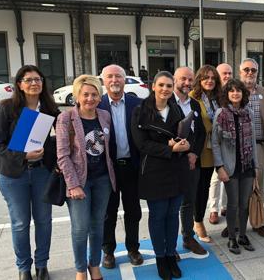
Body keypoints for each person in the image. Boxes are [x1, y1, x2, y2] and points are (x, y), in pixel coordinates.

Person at [0, 65, 59, 280]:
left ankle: (42, 265)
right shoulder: (6, 109)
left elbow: (62, 138)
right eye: (28, 79)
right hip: (14, 175)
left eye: (38, 79)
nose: (34, 83)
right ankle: (24, 268)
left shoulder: (51, 110)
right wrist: (23, 156)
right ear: (20, 85)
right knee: (21, 223)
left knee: (44, 221)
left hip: (42, 173)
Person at [131, 71, 190, 279]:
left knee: (173, 215)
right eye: (161, 85)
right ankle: (160, 258)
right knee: (158, 217)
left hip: (177, 170)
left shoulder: (175, 108)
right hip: (154, 172)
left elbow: (184, 131)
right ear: (153, 86)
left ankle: (170, 254)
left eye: (169, 85)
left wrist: (185, 144)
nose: (165, 89)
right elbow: (141, 144)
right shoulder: (141, 111)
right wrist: (169, 147)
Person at [56, 75, 116, 280]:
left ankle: (94, 264)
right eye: (86, 94)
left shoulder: (104, 115)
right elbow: (62, 155)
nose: (90, 98)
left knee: (98, 225)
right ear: (77, 96)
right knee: (80, 228)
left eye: (94, 94)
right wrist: (73, 185)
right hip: (79, 182)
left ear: (100, 96)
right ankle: (81, 269)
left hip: (102, 180)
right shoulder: (66, 118)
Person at [99, 65, 143, 268]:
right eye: (110, 76)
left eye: (118, 76)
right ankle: (108, 251)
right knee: (109, 212)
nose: (114, 80)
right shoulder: (96, 104)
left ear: (125, 80)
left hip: (132, 167)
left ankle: (133, 248)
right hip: (107, 169)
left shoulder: (137, 104)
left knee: (133, 211)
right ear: (103, 81)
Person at [212, 79, 258, 254]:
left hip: (247, 165)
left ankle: (243, 235)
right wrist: (220, 167)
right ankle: (232, 238)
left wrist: (256, 167)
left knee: (244, 204)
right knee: (233, 204)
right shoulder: (221, 114)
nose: (235, 93)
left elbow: (252, 141)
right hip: (230, 168)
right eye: (231, 91)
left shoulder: (249, 113)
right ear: (227, 94)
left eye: (238, 90)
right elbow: (215, 143)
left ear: (243, 93)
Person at [238, 58, 264, 238]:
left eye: (253, 70)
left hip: (261, 146)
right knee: (239, 187)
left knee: (258, 187)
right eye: (246, 69)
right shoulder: (233, 91)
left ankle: (258, 222)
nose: (250, 73)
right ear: (240, 72)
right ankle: (237, 223)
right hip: (239, 148)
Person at [174, 67, 207, 256]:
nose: (187, 83)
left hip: (193, 162)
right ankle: (169, 246)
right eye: (183, 79)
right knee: (171, 204)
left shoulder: (195, 104)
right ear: (175, 80)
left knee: (189, 202)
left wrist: (194, 153)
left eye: (190, 80)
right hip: (173, 163)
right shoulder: (166, 102)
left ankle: (188, 238)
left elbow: (201, 132)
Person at [189, 65, 222, 242]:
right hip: (196, 149)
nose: (209, 80)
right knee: (194, 188)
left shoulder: (219, 98)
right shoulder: (192, 98)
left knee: (204, 187)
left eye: (212, 78)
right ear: (199, 80)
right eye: (205, 78)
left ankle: (198, 219)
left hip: (212, 149)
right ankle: (196, 222)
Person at [208, 63, 233, 224]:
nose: (227, 76)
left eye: (230, 73)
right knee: (216, 177)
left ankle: (225, 205)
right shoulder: (213, 94)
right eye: (224, 73)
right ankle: (213, 209)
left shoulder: (233, 91)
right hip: (215, 140)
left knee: (229, 174)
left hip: (230, 141)